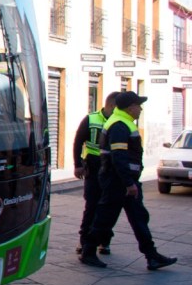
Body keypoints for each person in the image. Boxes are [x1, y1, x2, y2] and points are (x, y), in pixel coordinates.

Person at [80, 92, 177, 270]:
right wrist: (128, 183)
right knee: (105, 218)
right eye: (138, 105)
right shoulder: (119, 125)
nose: (141, 109)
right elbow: (118, 157)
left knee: (139, 218)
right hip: (117, 181)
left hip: (123, 181)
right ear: (130, 107)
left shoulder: (123, 122)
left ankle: (152, 256)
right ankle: (88, 251)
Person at [72, 91, 119, 256]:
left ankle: (104, 241)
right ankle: (84, 240)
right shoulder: (91, 119)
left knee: (107, 207)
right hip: (93, 168)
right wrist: (78, 165)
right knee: (91, 205)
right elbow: (78, 141)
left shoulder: (119, 122)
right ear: (111, 105)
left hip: (111, 170)